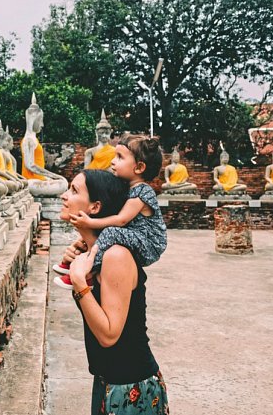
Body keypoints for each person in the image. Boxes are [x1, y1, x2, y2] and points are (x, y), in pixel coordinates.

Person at [60, 170, 169, 415]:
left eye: (74, 191)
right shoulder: (94, 255)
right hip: (106, 380)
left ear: (95, 207)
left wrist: (79, 283)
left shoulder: (116, 255)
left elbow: (109, 335)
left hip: (131, 386)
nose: (64, 196)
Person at [54, 135, 166, 288]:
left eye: (120, 157)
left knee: (111, 232)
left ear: (139, 167)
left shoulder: (142, 191)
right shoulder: (127, 188)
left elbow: (121, 220)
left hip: (149, 243)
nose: (113, 161)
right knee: (100, 237)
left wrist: (90, 222)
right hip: (135, 236)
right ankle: (75, 262)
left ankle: (88, 272)